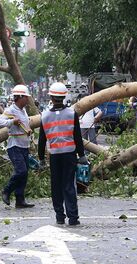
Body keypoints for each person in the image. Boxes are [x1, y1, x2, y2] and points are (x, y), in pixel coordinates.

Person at [38, 82, 87, 226]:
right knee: (69, 185)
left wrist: (41, 158)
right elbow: (77, 136)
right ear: (64, 97)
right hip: (69, 155)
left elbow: (42, 140)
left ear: (51, 98)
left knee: (56, 185)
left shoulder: (45, 115)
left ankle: (60, 216)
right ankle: (73, 217)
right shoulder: (72, 114)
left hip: (54, 155)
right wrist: (82, 155)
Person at [0, 84, 35, 208]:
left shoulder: (23, 111)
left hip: (24, 145)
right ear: (20, 97)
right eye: (26, 97)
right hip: (15, 146)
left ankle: (20, 199)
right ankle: (7, 190)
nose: (28, 100)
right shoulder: (11, 110)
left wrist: (28, 131)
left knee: (24, 173)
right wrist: (12, 121)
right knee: (21, 171)